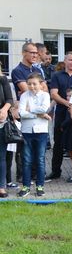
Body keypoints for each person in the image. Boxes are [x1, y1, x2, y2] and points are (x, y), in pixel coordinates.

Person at [47, 51, 72, 181]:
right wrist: (68, 103)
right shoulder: (57, 75)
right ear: (65, 61)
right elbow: (54, 94)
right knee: (58, 144)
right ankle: (56, 172)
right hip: (61, 113)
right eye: (70, 60)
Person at [17, 73, 51, 197]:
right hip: (26, 131)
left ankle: (40, 186)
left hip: (41, 131)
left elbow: (45, 109)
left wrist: (30, 109)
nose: (32, 86)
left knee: (40, 159)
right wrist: (37, 114)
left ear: (41, 84)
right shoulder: (24, 96)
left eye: (34, 84)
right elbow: (21, 112)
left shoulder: (45, 95)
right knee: (26, 160)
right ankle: (26, 186)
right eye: (29, 84)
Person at [0, 67, 14, 198]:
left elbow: (10, 99)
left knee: (1, 156)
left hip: (1, 122)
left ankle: (1, 187)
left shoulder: (3, 79)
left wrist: (4, 110)